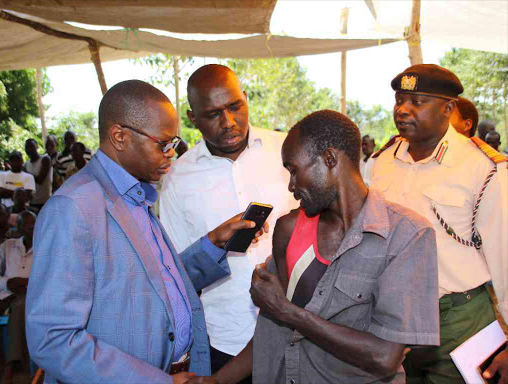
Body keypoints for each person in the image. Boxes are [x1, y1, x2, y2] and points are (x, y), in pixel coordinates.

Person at [25, 79, 266, 384]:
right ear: (120, 137)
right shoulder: (74, 208)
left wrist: (212, 244)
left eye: (173, 144)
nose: (170, 154)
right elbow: (53, 340)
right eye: (162, 144)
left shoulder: (135, 196)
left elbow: (156, 285)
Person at [187, 110, 440, 384]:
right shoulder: (289, 229)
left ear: (329, 159)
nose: (291, 186)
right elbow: (272, 331)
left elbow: (384, 357)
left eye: (294, 171)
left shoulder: (406, 236)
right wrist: (218, 380)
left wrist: (289, 312)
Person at [371, 64, 508, 384]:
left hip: (458, 319)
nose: (403, 110)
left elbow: (506, 254)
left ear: (448, 109)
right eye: (399, 100)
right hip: (393, 319)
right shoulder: (383, 161)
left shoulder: (483, 168)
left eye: (417, 102)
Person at [159, 64, 297, 382]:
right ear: (193, 118)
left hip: (298, 330)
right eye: (213, 114)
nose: (229, 122)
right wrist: (213, 243)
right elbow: (176, 273)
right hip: (225, 340)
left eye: (235, 106)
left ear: (246, 98)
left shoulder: (286, 150)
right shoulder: (177, 179)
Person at [0, 210, 36, 384]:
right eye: (26, 224)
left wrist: (25, 282)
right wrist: (8, 282)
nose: (31, 228)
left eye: (34, 225)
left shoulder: (44, 248)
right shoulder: (7, 246)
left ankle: (10, 366)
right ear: (18, 227)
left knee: (20, 307)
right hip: (4, 293)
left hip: (27, 296)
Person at [24, 138, 52, 211]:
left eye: (31, 146)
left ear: (37, 147)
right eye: (27, 147)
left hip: (45, 202)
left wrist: (25, 172)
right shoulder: (26, 164)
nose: (29, 149)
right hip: (31, 202)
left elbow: (40, 180)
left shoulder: (45, 159)